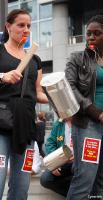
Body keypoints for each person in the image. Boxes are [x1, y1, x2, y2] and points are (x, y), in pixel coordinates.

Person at [0, 9, 48, 200]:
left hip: (26, 126)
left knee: (21, 189)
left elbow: (38, 93)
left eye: (29, 26)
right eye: (21, 25)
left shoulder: (35, 60)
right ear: (8, 26)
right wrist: (2, 77)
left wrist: (60, 95)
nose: (26, 29)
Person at [65, 15, 103, 200]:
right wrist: (96, 112)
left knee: (101, 181)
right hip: (88, 123)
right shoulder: (77, 58)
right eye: (88, 33)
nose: (91, 37)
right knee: (85, 177)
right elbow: (69, 87)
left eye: (97, 33)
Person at [40, 119, 73, 197]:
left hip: (79, 163)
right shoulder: (58, 124)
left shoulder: (84, 121)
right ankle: (73, 195)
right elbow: (50, 143)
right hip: (62, 162)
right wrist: (54, 162)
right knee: (45, 179)